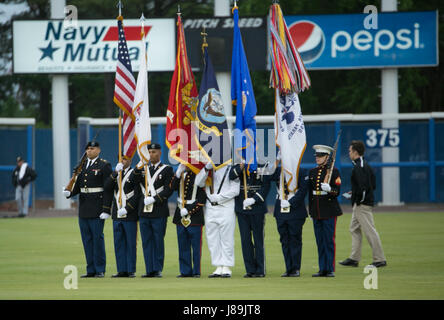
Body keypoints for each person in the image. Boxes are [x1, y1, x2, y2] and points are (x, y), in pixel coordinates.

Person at [63, 141, 112, 278]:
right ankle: (90, 269)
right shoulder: (82, 165)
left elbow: (108, 189)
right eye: (87, 149)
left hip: (97, 208)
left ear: (98, 150)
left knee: (97, 239)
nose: (89, 151)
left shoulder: (104, 165)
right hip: (84, 208)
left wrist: (106, 209)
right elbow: (79, 186)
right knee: (87, 240)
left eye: (92, 148)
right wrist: (70, 193)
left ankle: (100, 269)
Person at [339, 140, 387, 268]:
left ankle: (379, 259)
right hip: (360, 203)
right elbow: (372, 185)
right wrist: (354, 192)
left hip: (362, 205)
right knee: (354, 229)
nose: (349, 153)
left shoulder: (359, 167)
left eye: (350, 151)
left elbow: (364, 188)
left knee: (370, 231)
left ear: (355, 152)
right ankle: (354, 258)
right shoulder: (364, 165)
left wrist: (359, 200)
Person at [132, 143, 174, 278]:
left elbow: (168, 190)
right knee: (146, 241)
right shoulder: (143, 168)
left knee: (158, 240)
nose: (151, 155)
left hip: (158, 210)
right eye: (149, 152)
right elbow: (133, 181)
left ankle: (157, 269)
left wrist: (155, 199)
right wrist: (138, 166)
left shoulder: (166, 169)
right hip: (144, 211)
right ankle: (149, 269)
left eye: (154, 152)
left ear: (160, 153)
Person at [195, 162, 240, 278]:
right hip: (210, 208)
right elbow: (198, 182)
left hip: (226, 206)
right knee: (212, 239)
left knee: (226, 238)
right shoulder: (208, 169)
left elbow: (235, 190)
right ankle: (218, 266)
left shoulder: (231, 167)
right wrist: (206, 168)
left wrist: (219, 198)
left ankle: (226, 266)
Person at [229, 162, 271, 278]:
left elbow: (266, 186)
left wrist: (255, 199)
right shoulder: (239, 164)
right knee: (245, 240)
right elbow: (231, 176)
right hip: (242, 208)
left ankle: (260, 269)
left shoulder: (263, 165)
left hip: (257, 208)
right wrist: (241, 166)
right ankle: (250, 269)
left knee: (258, 240)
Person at [308, 145, 343, 277]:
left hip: (329, 210)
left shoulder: (334, 172)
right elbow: (311, 195)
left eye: (321, 156)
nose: (318, 158)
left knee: (328, 240)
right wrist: (311, 211)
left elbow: (337, 192)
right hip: (317, 211)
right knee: (319, 241)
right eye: (317, 156)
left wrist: (329, 189)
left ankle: (330, 268)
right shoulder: (312, 172)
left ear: (327, 157)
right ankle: (322, 268)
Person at [270, 161, 308, 278]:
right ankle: (288, 268)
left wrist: (290, 202)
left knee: (295, 239)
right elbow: (267, 175)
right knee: (284, 240)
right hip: (281, 209)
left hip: (295, 210)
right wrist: (276, 160)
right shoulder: (278, 171)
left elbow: (302, 192)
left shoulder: (301, 171)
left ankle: (295, 268)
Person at [103, 156, 139, 278]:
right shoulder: (116, 173)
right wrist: (114, 173)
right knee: (118, 243)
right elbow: (107, 187)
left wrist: (127, 208)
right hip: (117, 213)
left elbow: (137, 194)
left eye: (125, 159)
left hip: (129, 214)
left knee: (130, 243)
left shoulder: (134, 173)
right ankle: (121, 269)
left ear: (130, 161)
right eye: (120, 159)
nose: (123, 161)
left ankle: (130, 270)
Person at [170, 163, 206, 278]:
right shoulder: (180, 174)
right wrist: (177, 174)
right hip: (180, 215)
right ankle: (185, 271)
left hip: (194, 217)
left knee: (196, 246)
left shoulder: (200, 176)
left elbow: (201, 199)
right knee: (183, 245)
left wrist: (189, 211)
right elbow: (172, 187)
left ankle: (196, 271)